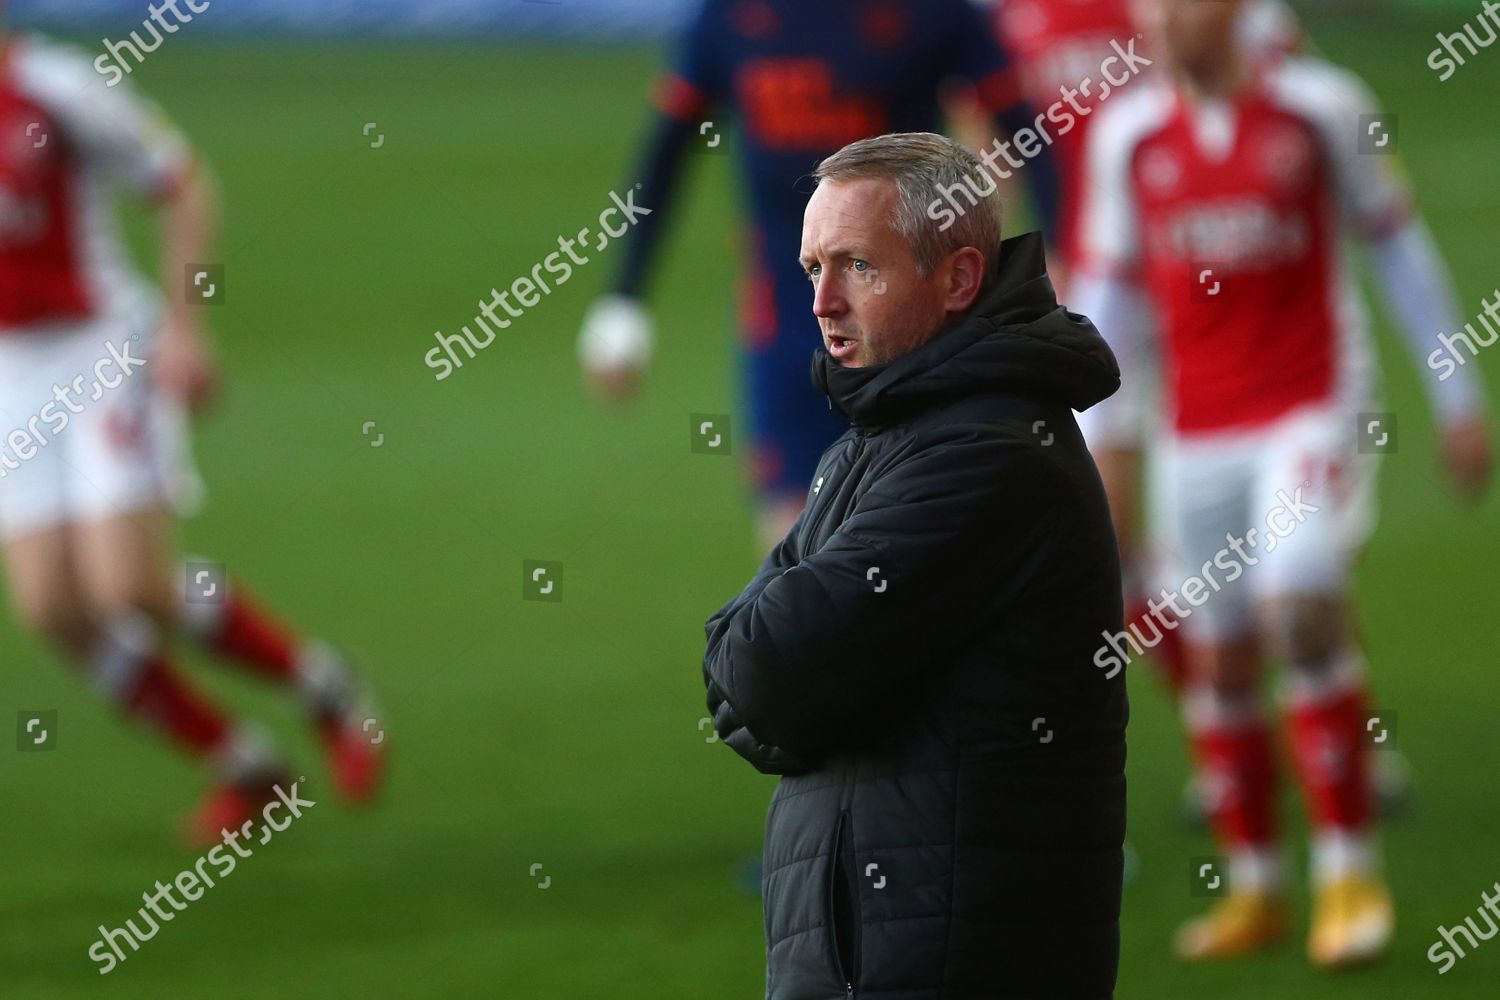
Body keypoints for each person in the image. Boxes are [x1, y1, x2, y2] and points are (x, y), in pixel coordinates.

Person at [1073, 0, 1492, 966]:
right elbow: (1112, 302)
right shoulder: (1129, 137)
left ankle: (1349, 872)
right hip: (1197, 429)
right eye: (1157, 6)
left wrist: (1458, 390)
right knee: (1217, 660)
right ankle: (1255, 886)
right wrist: (1104, 442)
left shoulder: (1324, 109)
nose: (1169, 20)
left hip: (1312, 406)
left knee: (1299, 604)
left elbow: (1394, 244)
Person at [703, 132, 1127, 999]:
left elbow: (760, 672)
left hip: (944, 958)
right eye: (811, 264)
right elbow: (751, 662)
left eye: (858, 265)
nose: (821, 302)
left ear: (960, 279)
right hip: (883, 945)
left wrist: (791, 697)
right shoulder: (887, 434)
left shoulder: (986, 454)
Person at [0, 29, 385, 846]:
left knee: (130, 587)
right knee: (53, 608)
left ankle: (327, 687)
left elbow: (183, 187)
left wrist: (185, 329)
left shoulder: (58, 88)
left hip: (101, 345)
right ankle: (247, 768)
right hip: (11, 372)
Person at [576, 0, 1061, 552]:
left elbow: (1026, 129)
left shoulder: (934, 13)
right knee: (795, 552)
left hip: (910, 329)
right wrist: (623, 298)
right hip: (785, 328)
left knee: (920, 543)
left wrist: (1062, 260)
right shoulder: (730, 16)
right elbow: (666, 151)